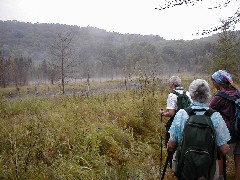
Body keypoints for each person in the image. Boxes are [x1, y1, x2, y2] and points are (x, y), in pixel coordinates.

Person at [167, 79, 231, 179]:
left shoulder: (182, 114)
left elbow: (171, 145)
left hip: (185, 167)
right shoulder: (215, 116)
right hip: (208, 169)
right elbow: (224, 149)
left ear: (191, 95)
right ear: (208, 95)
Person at [209, 70, 240, 180]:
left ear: (219, 82)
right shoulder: (237, 92)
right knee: (238, 157)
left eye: (214, 82)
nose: (213, 84)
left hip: (226, 133)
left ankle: (220, 177)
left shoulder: (220, 97)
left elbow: (208, 110)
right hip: (239, 130)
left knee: (220, 155)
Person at [159, 75, 192, 145]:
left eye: (169, 84)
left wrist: (163, 113)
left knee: (171, 145)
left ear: (173, 84)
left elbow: (171, 113)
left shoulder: (172, 95)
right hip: (188, 122)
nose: (169, 86)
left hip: (176, 123)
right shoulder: (187, 93)